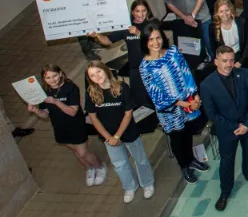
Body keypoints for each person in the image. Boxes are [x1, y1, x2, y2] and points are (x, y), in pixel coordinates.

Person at [139, 22, 208, 184]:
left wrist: (195, 95)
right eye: (151, 39)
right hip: (170, 111)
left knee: (188, 133)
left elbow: (186, 73)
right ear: (145, 42)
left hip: (188, 103)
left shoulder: (173, 52)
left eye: (158, 38)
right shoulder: (145, 67)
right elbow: (157, 95)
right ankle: (184, 166)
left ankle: (191, 160)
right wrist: (184, 104)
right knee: (177, 139)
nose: (156, 42)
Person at [200, 46, 248, 211]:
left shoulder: (245, 74)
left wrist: (247, 124)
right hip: (227, 131)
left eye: (231, 60)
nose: (229, 64)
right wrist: (235, 127)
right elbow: (212, 114)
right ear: (216, 62)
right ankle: (225, 191)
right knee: (227, 161)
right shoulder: (207, 85)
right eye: (224, 61)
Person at [84, 61, 155, 203]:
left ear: (105, 70)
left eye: (98, 72)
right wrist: (109, 137)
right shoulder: (91, 93)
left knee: (140, 159)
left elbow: (128, 114)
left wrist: (117, 136)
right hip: (108, 137)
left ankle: (147, 183)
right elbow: (93, 117)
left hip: (128, 131)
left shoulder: (122, 88)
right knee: (119, 164)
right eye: (92, 75)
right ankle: (130, 186)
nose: (97, 76)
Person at [28, 64, 106, 185]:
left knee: (83, 152)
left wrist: (55, 101)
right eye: (48, 78)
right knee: (75, 150)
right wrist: (36, 110)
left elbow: (72, 112)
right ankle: (89, 168)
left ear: (60, 74)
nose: (52, 80)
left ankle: (99, 166)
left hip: (75, 125)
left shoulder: (71, 88)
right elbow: (45, 114)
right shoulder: (44, 92)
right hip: (60, 127)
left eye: (54, 76)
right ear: (44, 79)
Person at [209, 0, 248, 69]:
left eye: (227, 10)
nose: (225, 14)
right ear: (217, 13)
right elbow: (213, 48)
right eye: (221, 11)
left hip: (241, 57)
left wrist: (241, 61)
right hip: (224, 58)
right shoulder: (213, 27)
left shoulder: (242, 22)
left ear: (231, 10)